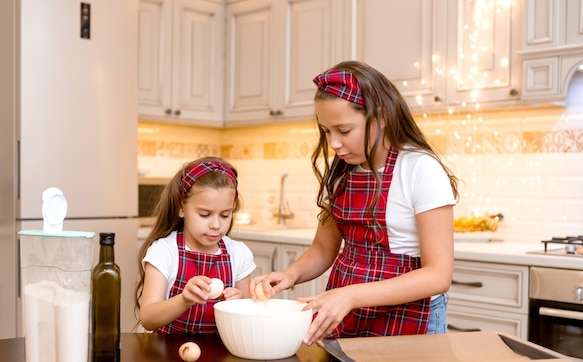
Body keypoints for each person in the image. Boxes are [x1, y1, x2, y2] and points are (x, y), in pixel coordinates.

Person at [250, 61, 459, 345]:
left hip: (410, 316)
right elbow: (323, 249)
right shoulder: (341, 172)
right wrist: (290, 274)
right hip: (348, 312)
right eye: (326, 131)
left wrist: (351, 294)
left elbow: (437, 276)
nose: (334, 143)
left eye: (344, 131)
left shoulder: (419, 169)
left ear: (381, 117)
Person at [135, 157, 256, 334]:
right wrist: (183, 300)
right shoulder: (164, 252)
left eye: (225, 215)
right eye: (205, 214)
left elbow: (248, 315)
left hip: (223, 355)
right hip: (167, 355)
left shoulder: (238, 253)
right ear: (181, 208)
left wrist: (239, 303)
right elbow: (148, 318)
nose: (216, 224)